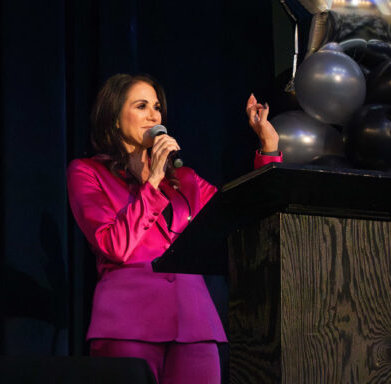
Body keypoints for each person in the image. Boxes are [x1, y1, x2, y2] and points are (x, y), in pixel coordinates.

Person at [66, 74, 281, 383]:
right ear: (114, 119)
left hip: (194, 325)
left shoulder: (186, 180)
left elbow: (246, 213)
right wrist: (152, 180)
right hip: (128, 325)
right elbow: (115, 246)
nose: (153, 115)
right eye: (141, 106)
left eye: (156, 107)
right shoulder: (88, 172)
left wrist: (268, 148)